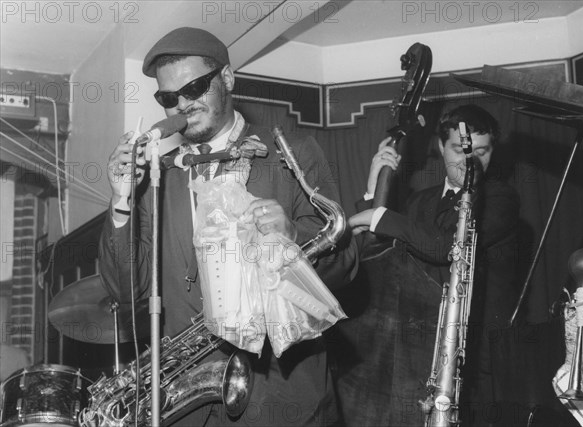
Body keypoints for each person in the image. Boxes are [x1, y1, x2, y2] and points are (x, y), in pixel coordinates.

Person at [98, 27, 357, 426]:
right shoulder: (156, 179)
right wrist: (121, 201)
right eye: (169, 98)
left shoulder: (293, 153)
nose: (183, 104)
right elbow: (126, 291)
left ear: (228, 78)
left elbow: (347, 262)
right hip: (188, 407)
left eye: (195, 87)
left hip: (281, 403)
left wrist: (291, 237)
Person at [345, 105, 521, 426]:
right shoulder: (417, 202)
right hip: (414, 362)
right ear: (440, 147)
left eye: (481, 151)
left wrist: (379, 216)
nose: (471, 162)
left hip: (471, 375)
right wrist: (374, 192)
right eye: (460, 149)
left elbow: (445, 247)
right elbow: (379, 262)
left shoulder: (501, 200)